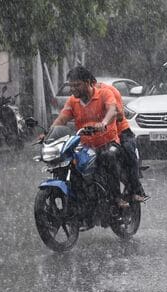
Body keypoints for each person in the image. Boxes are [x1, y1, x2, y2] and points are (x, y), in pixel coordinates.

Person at [50, 65, 127, 208]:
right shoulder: (73, 101)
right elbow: (61, 119)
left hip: (108, 143)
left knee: (108, 157)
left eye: (77, 85)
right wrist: (49, 134)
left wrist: (103, 123)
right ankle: (80, 200)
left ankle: (117, 198)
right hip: (86, 145)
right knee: (70, 161)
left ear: (88, 82)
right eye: (71, 86)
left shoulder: (104, 94)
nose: (73, 89)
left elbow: (112, 110)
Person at [94, 81, 148, 202]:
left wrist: (104, 118)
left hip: (120, 133)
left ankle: (135, 190)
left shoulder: (110, 92)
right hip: (95, 137)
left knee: (126, 154)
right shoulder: (77, 98)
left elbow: (118, 114)